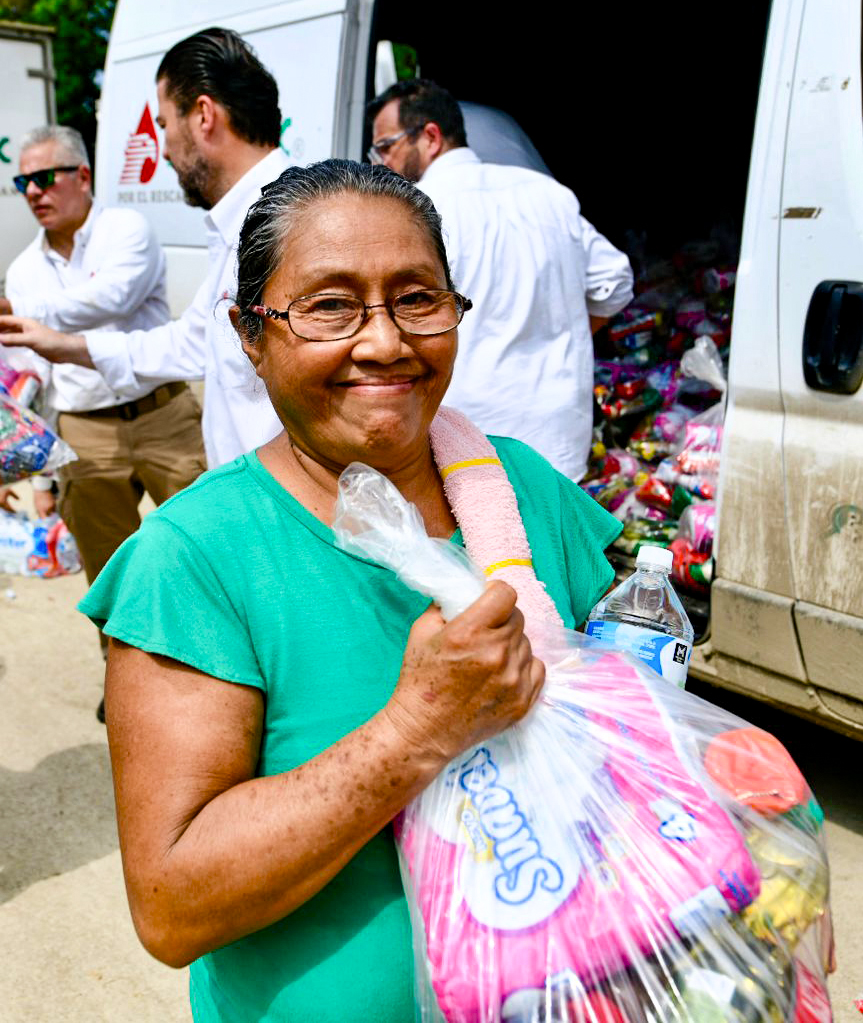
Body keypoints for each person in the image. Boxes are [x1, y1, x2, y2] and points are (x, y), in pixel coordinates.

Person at [82, 160, 624, 1021]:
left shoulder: (519, 492)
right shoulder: (194, 557)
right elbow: (172, 903)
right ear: (249, 335)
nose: (384, 342)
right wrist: (417, 726)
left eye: (417, 298)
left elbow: (629, 727)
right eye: (329, 305)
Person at [0, 125, 207, 718]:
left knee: (203, 546)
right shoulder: (24, 269)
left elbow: (114, 298)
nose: (33, 192)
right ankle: (125, 677)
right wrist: (32, 466)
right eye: (22, 181)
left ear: (82, 177)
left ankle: (215, 667)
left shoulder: (125, 230)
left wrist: (24, 313)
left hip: (163, 415)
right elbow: (35, 368)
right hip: (84, 427)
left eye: (44, 177)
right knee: (110, 567)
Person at [0, 28, 289, 468]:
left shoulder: (289, 221)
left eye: (163, 125)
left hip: (284, 512)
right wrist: (64, 346)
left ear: (203, 115)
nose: (163, 150)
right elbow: (193, 342)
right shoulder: (240, 220)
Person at [367, 79, 634, 480]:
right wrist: (562, 332)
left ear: (430, 136)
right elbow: (614, 282)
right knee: (550, 539)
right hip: (557, 430)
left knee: (475, 541)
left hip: (468, 431)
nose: (381, 162)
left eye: (386, 146)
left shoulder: (420, 210)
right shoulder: (548, 194)